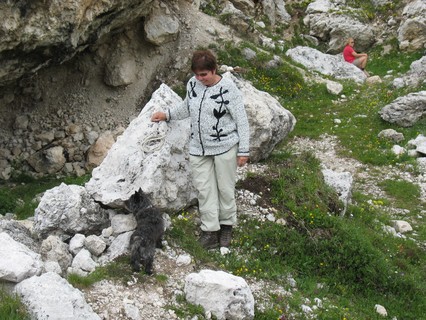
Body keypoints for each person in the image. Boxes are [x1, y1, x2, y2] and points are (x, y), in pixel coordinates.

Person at [151, 50, 250, 249]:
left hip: (225, 147)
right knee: (204, 190)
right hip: (198, 148)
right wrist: (167, 115)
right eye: (196, 74)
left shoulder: (229, 89)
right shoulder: (193, 84)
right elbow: (187, 107)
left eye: (204, 74)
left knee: (225, 188)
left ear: (213, 70)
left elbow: (242, 120)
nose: (199, 78)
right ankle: (210, 231)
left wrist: (244, 151)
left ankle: (227, 227)